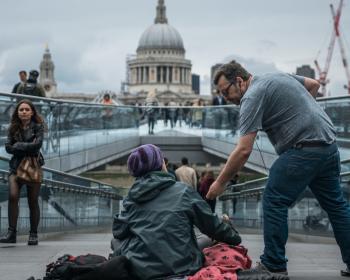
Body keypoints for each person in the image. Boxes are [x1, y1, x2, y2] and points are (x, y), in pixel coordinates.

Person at [206, 60, 350, 276]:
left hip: (303, 149)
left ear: (239, 81)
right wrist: (298, 116)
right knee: (336, 207)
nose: (224, 98)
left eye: (225, 92)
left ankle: (273, 266)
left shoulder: (251, 97)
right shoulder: (275, 76)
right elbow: (313, 84)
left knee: (274, 199)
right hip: (328, 147)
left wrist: (219, 183)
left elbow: (243, 150)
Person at [112, 144, 241, 280]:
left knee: (115, 242)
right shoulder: (184, 191)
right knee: (204, 239)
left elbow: (118, 232)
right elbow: (212, 226)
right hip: (182, 267)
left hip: (141, 270)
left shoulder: (131, 198)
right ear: (161, 164)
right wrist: (234, 237)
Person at [0, 99, 45, 245]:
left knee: (33, 201)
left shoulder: (38, 127)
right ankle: (11, 233)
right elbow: (7, 147)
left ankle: (33, 234)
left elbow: (37, 146)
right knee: (13, 196)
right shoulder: (13, 128)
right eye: (21, 110)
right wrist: (25, 146)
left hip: (33, 167)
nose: (24, 112)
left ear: (32, 112)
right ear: (17, 113)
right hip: (15, 167)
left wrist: (18, 145)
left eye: (27, 109)